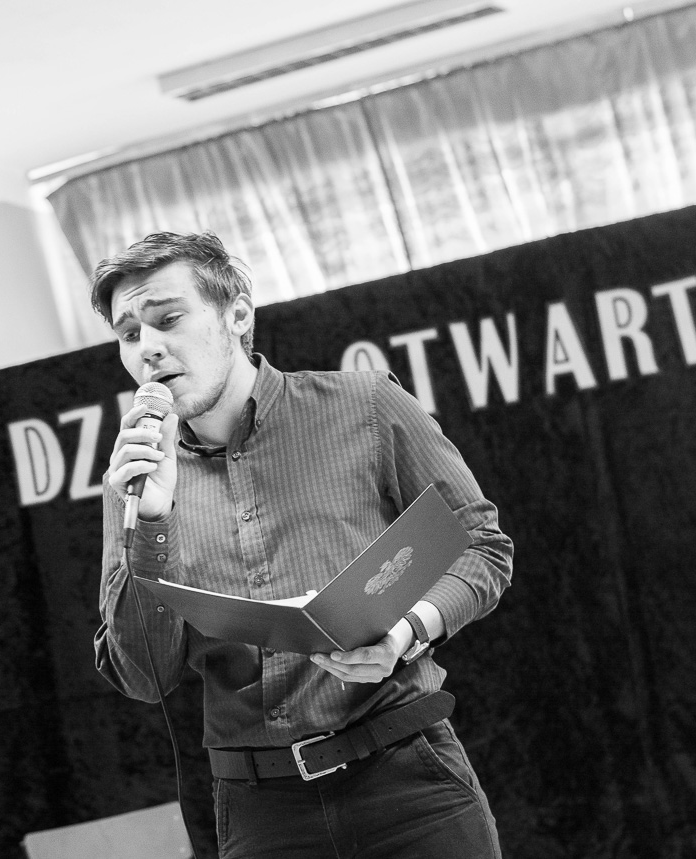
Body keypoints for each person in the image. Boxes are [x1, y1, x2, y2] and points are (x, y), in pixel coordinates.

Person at [91, 232, 513, 858]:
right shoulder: (137, 479)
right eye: (129, 334)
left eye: (168, 319)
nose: (148, 347)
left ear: (237, 315)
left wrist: (405, 633)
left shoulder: (366, 406)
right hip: (262, 816)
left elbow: (481, 547)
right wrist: (150, 521)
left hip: (406, 782)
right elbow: (141, 676)